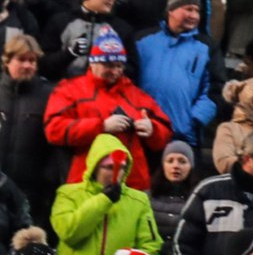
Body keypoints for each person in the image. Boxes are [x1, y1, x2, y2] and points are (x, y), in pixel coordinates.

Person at [43, 29, 172, 191]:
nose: (116, 71)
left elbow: (165, 131)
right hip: (85, 183)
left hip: (133, 185)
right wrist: (101, 127)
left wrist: (152, 129)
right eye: (109, 65)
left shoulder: (136, 95)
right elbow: (54, 129)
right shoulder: (69, 90)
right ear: (93, 63)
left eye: (119, 66)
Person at [50, 133, 161, 255]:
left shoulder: (139, 200)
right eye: (109, 167)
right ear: (95, 167)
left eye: (122, 167)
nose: (116, 173)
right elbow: (69, 233)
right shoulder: (68, 194)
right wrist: (104, 200)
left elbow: (151, 246)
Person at [133, 0, 221, 147]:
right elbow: (129, 80)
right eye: (188, 9)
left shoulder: (206, 47)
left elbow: (215, 89)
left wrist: (194, 120)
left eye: (197, 11)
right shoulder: (142, 41)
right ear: (171, 10)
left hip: (183, 137)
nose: (194, 15)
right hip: (144, 133)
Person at [0, 35, 58, 226]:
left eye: (32, 60)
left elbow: (55, 147)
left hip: (31, 194)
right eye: (21, 59)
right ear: (7, 61)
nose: (27, 66)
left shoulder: (48, 95)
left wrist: (46, 180)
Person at [39, 0, 135, 81]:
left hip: (106, 91)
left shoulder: (122, 28)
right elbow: (43, 65)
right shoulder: (60, 22)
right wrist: (69, 54)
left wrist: (110, 64)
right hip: (64, 89)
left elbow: (133, 69)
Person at [148, 140, 197, 255]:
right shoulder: (147, 197)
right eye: (170, 161)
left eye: (182, 161)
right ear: (162, 165)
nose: (176, 166)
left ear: (191, 166)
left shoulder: (198, 198)